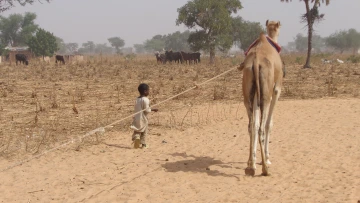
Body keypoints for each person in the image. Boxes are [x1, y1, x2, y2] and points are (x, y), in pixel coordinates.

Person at [130, 83, 158, 149]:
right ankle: (143, 145)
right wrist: (153, 109)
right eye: (148, 90)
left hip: (137, 118)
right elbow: (147, 110)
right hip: (143, 118)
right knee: (144, 131)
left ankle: (136, 137)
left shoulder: (137, 99)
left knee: (137, 130)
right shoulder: (146, 99)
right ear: (145, 91)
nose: (149, 92)